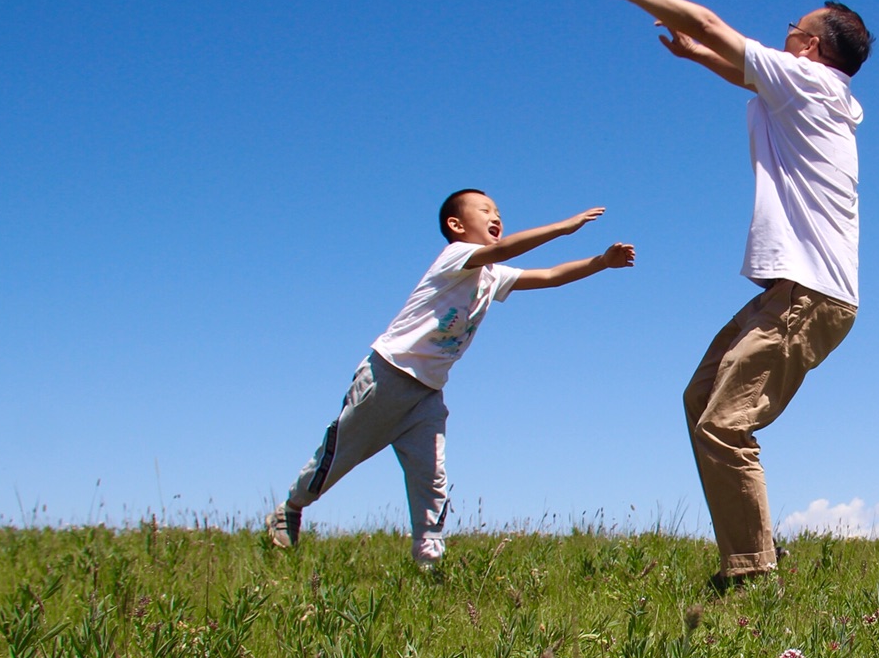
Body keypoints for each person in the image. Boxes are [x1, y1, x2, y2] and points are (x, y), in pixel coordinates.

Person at [593, 0, 872, 591]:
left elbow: (716, 26)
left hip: (809, 296)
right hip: (799, 292)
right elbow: (728, 57)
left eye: (794, 30)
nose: (783, 34)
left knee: (724, 421)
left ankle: (752, 575)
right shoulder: (811, 92)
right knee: (702, 400)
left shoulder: (808, 83)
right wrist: (699, 56)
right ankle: (750, 557)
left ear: (813, 48)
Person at [267, 191, 634, 564]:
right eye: (486, 210)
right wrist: (562, 227)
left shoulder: (493, 276)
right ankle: (290, 509)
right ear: (456, 226)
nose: (496, 216)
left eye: (499, 212)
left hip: (427, 396)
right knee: (337, 458)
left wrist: (601, 262)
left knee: (432, 483)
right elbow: (504, 249)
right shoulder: (455, 257)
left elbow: (551, 276)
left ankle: (428, 565)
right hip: (387, 377)